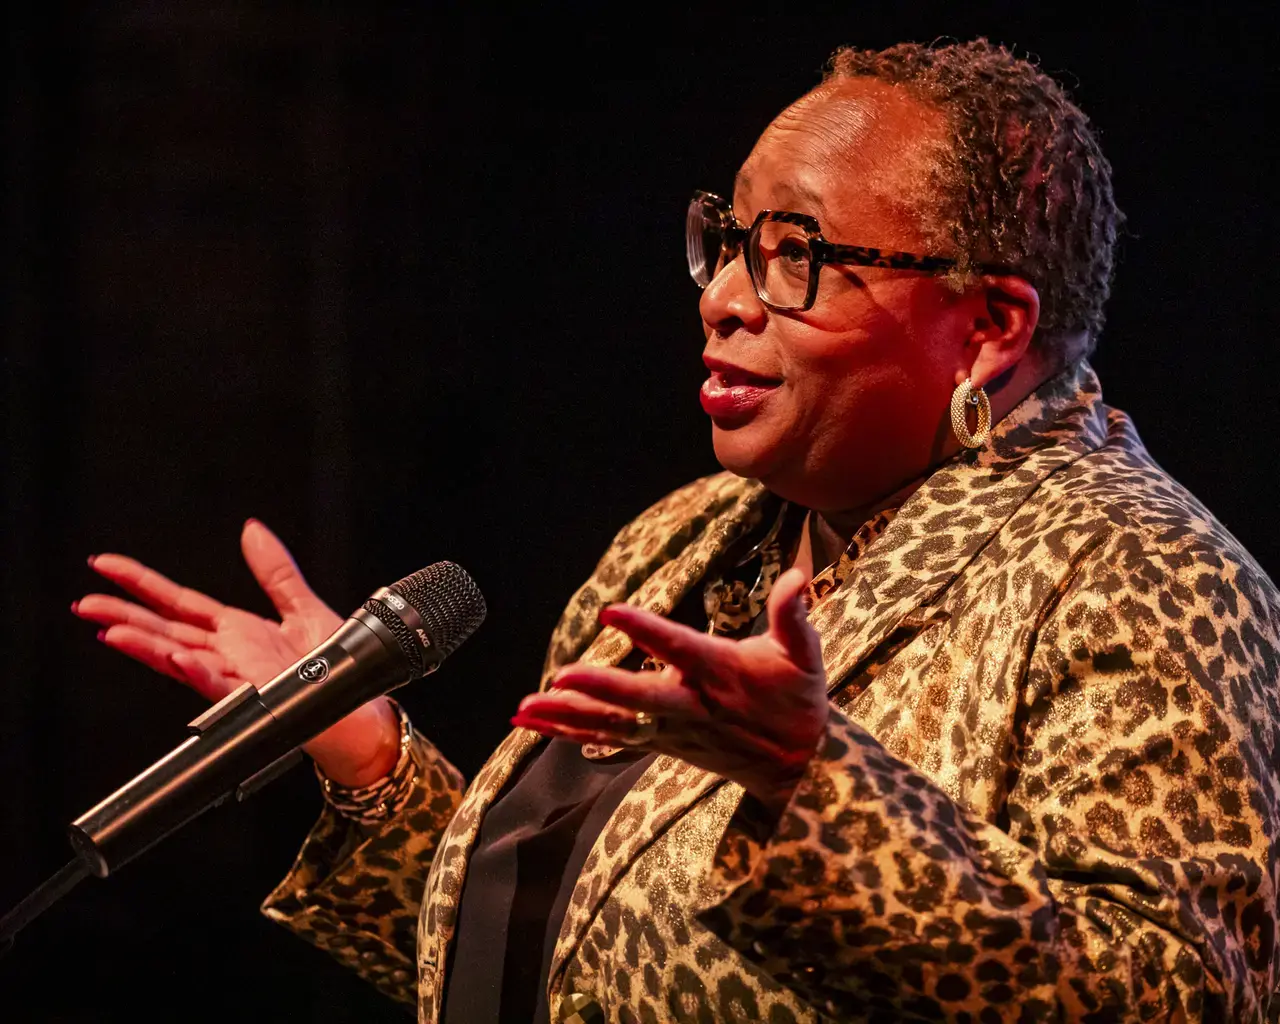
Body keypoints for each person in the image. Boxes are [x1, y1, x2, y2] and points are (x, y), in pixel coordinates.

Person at [73, 39, 1279, 1023]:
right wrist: (371, 761)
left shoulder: (1136, 570)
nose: (722, 296)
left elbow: (1180, 996)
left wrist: (810, 793)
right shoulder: (685, 542)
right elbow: (575, 968)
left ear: (988, 327)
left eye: (795, 254)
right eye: (731, 240)